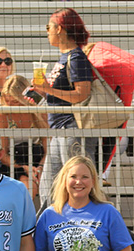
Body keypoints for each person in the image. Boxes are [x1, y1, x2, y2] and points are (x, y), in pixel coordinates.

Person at [33, 8, 98, 208]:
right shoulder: (64, 58)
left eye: (48, 27)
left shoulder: (76, 58)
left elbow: (82, 93)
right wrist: (43, 92)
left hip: (73, 128)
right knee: (50, 185)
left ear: (60, 29)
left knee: (77, 184)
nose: (47, 32)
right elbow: (60, 95)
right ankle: (48, 227)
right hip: (59, 129)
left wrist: (49, 90)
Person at [0, 74, 47, 196]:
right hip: (12, 163)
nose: (11, 105)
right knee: (27, 187)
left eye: (16, 101)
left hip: (36, 160)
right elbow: (3, 154)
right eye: (7, 101)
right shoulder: (1, 117)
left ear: (26, 98)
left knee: (34, 185)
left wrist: (40, 168)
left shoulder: (39, 114)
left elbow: (47, 150)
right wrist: (23, 167)